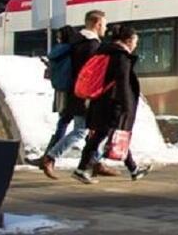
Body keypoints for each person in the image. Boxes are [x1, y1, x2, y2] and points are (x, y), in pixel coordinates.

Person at [74, 24, 151, 184]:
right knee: (114, 135)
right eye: (135, 41)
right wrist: (126, 106)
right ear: (129, 41)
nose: (136, 45)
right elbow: (122, 83)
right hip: (112, 104)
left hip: (101, 102)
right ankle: (83, 169)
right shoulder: (121, 57)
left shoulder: (106, 51)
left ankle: (133, 169)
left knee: (110, 135)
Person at [35, 10, 105, 179]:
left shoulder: (76, 42)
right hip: (85, 95)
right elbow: (90, 74)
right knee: (81, 131)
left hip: (75, 92)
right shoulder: (92, 45)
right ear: (97, 24)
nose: (106, 28)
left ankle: (95, 162)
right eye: (104, 24)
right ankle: (51, 158)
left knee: (93, 129)